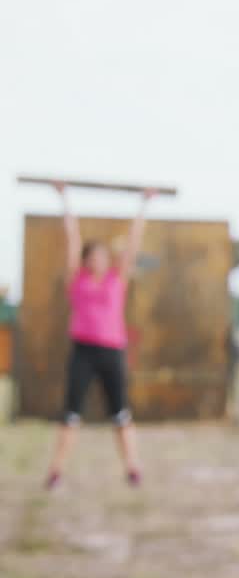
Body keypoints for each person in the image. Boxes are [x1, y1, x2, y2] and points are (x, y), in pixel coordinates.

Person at [46, 183, 151, 491]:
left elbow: (134, 243)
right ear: (85, 259)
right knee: (71, 413)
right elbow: (71, 238)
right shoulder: (76, 279)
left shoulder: (117, 280)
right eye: (92, 256)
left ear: (108, 261)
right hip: (83, 351)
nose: (98, 261)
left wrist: (142, 206)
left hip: (112, 352)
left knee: (120, 413)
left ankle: (132, 467)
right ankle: (56, 470)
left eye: (103, 257)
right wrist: (64, 199)